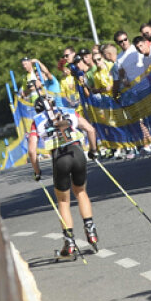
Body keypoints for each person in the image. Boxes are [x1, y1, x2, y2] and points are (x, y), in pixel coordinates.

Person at [25, 87, 102, 260]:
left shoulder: (36, 120)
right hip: (77, 152)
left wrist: (37, 172)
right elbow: (90, 129)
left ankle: (70, 243)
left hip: (60, 158)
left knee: (63, 201)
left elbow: (32, 150)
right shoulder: (69, 111)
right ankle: (91, 230)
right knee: (81, 192)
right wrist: (93, 150)